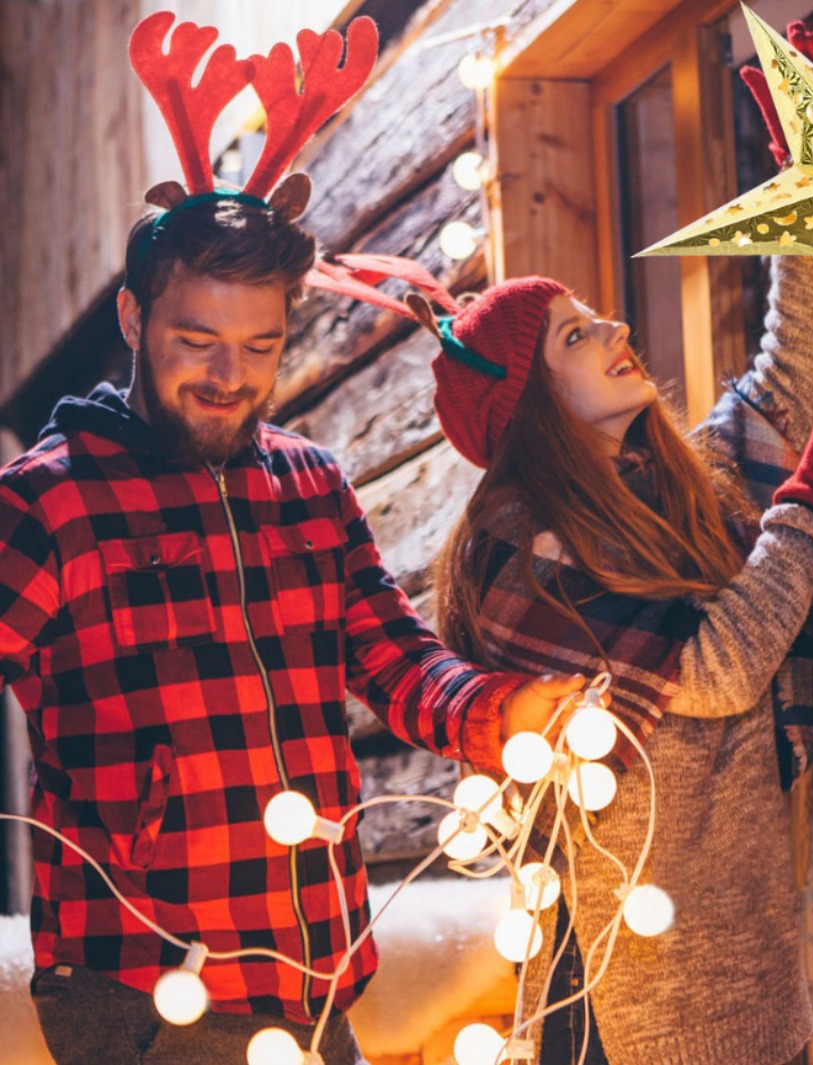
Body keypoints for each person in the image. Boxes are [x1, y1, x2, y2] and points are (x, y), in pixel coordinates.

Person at [0, 12, 583, 1065]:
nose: (230, 375)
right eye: (197, 341)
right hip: (143, 995)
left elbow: (391, 657)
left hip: (315, 975)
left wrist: (505, 716)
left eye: (260, 345)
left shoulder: (308, 486)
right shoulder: (50, 505)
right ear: (133, 322)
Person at [425, 23, 813, 1061]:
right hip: (629, 1006)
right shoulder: (522, 555)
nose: (616, 333)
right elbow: (721, 671)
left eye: (601, 318)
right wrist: (810, 499)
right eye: (576, 336)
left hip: (754, 974)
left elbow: (799, 366)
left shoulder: (688, 488)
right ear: (529, 403)